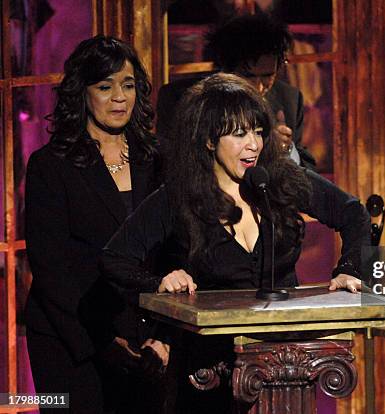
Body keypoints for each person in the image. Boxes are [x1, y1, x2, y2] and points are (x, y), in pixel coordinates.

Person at [102, 73, 368, 412]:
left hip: (285, 369)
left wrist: (348, 269)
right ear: (210, 140)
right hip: (208, 373)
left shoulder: (279, 181)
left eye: (257, 132)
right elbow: (114, 258)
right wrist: (161, 283)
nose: (254, 144)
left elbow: (352, 213)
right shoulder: (179, 197)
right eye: (239, 134)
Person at [25, 36, 166, 413]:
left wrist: (164, 335)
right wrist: (103, 341)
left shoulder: (157, 159)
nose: (119, 97)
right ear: (82, 93)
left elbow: (173, 252)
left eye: (129, 85)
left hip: (147, 343)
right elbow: (50, 267)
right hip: (71, 342)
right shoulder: (50, 166)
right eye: (105, 86)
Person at [156, 13, 317, 169]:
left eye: (268, 75)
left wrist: (286, 149)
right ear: (224, 68)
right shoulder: (179, 99)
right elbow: (168, 164)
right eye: (249, 76)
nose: (259, 87)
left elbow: (306, 172)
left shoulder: (289, 100)